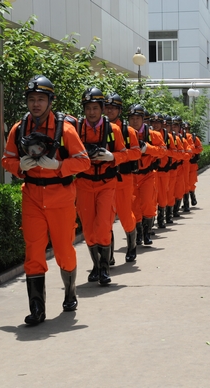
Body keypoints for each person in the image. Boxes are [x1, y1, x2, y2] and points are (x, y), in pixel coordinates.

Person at [1, 75, 90, 325]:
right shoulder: (19, 129)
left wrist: (59, 166)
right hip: (32, 195)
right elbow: (6, 159)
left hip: (60, 196)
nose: (36, 104)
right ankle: (37, 309)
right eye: (32, 99)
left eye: (41, 99)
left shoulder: (66, 130)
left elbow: (84, 162)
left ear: (51, 101)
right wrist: (19, 166)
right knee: (33, 252)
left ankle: (70, 292)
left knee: (64, 250)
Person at [75, 87, 128, 285]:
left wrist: (112, 156)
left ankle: (105, 268)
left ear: (102, 108)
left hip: (107, 183)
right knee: (88, 228)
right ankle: (96, 266)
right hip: (83, 183)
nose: (91, 112)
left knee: (104, 225)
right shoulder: (77, 129)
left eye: (95, 108)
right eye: (88, 108)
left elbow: (126, 153)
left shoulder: (113, 130)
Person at [104, 93, 142, 263]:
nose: (109, 111)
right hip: (104, 179)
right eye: (107, 107)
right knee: (106, 217)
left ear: (119, 110)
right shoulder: (99, 129)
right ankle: (108, 254)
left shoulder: (128, 131)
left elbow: (136, 153)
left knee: (125, 215)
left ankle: (131, 244)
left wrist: (117, 156)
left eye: (113, 108)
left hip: (123, 179)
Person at [129, 104, 166, 244]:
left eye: (137, 118)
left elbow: (162, 151)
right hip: (131, 175)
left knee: (148, 204)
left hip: (148, 174)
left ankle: (147, 232)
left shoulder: (153, 135)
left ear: (143, 119)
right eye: (132, 118)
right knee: (134, 205)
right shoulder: (125, 133)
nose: (135, 121)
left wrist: (147, 148)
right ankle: (138, 233)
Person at [149, 113, 174, 228]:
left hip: (164, 171)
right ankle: (150, 221)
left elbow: (175, 152)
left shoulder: (168, 137)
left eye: (158, 122)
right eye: (153, 122)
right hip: (151, 171)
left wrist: (163, 152)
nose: (155, 125)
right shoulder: (148, 135)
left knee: (163, 195)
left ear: (162, 124)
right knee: (151, 196)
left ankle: (161, 218)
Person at [183, 122, 203, 206]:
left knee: (191, 182)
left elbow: (200, 148)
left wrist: (192, 151)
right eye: (184, 129)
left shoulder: (194, 138)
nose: (186, 130)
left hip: (192, 164)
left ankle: (192, 197)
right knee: (184, 183)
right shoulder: (179, 138)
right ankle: (186, 202)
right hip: (184, 164)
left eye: (187, 129)